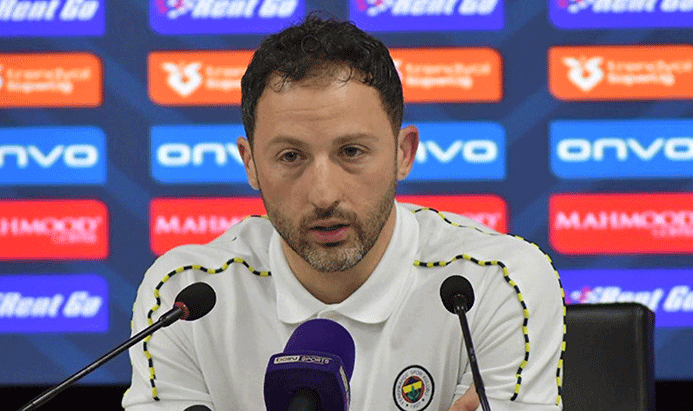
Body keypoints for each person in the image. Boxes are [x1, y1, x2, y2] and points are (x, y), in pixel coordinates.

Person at [122, 15, 565, 411]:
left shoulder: (496, 284)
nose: (323, 194)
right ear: (250, 164)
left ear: (403, 153)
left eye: (351, 151)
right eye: (291, 156)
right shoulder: (183, 297)